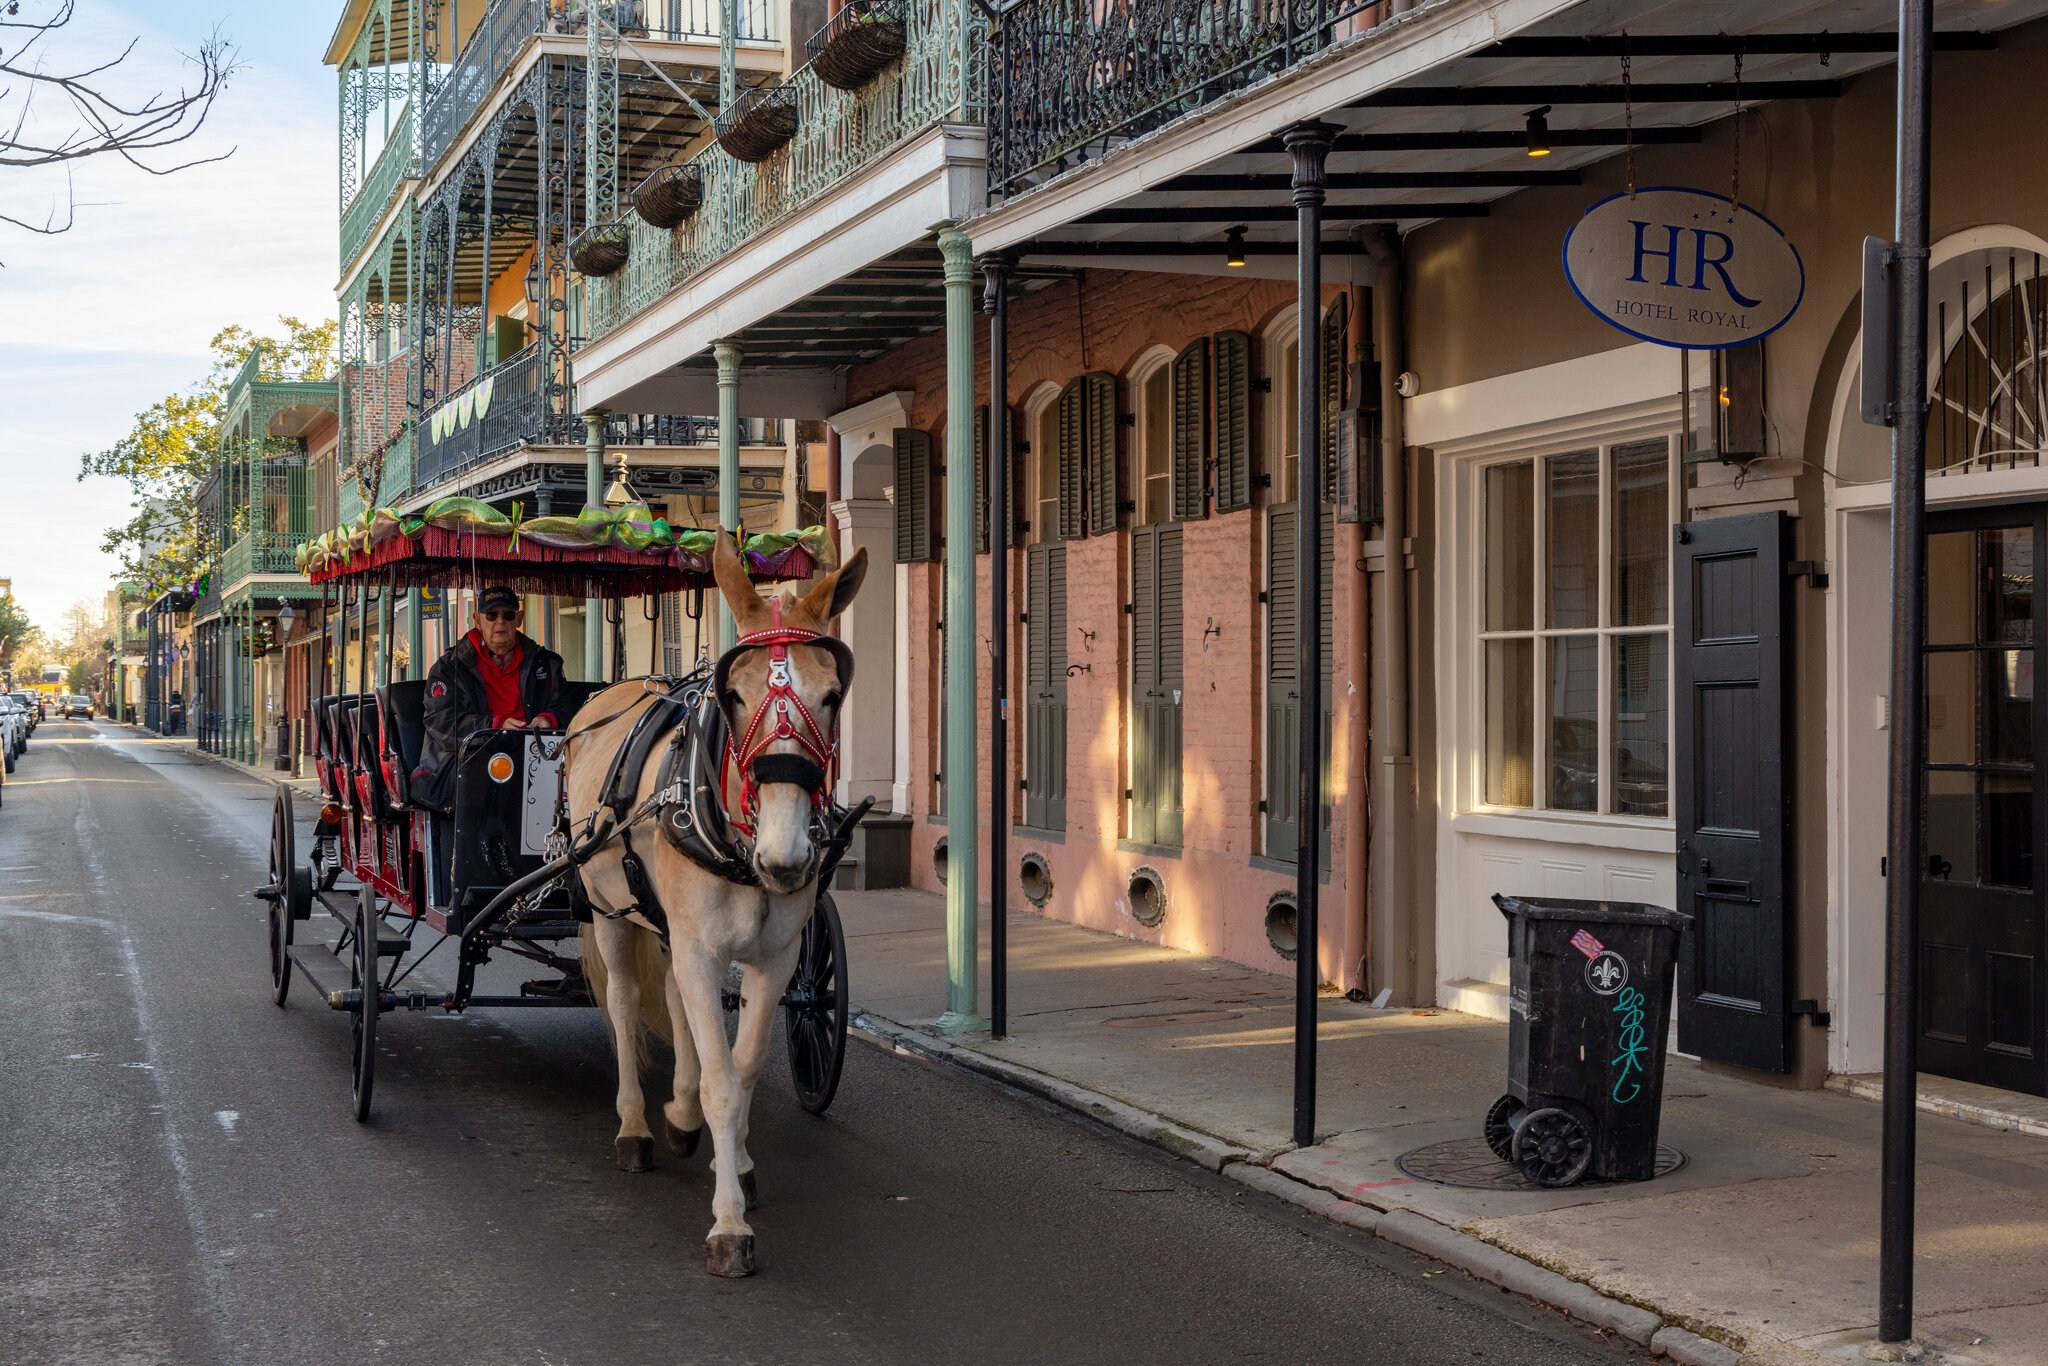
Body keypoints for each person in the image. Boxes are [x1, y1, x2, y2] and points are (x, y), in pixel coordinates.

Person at [414, 586, 566, 808]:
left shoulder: (547, 664)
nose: (500, 622)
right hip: (473, 762)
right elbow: (441, 721)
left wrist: (549, 719)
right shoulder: (449, 668)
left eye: (508, 615)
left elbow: (569, 706)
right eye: (492, 615)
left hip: (538, 759)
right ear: (478, 620)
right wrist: (495, 726)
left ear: (519, 619)